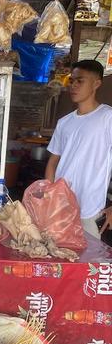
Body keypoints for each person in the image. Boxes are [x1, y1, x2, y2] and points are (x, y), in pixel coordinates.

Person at [45, 59, 112, 239]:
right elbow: (53, 162)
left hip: (91, 208)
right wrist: (49, 195)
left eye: (80, 81)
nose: (73, 85)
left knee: (89, 263)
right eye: (71, 81)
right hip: (61, 207)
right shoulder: (64, 122)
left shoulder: (107, 118)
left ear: (96, 84)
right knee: (59, 259)